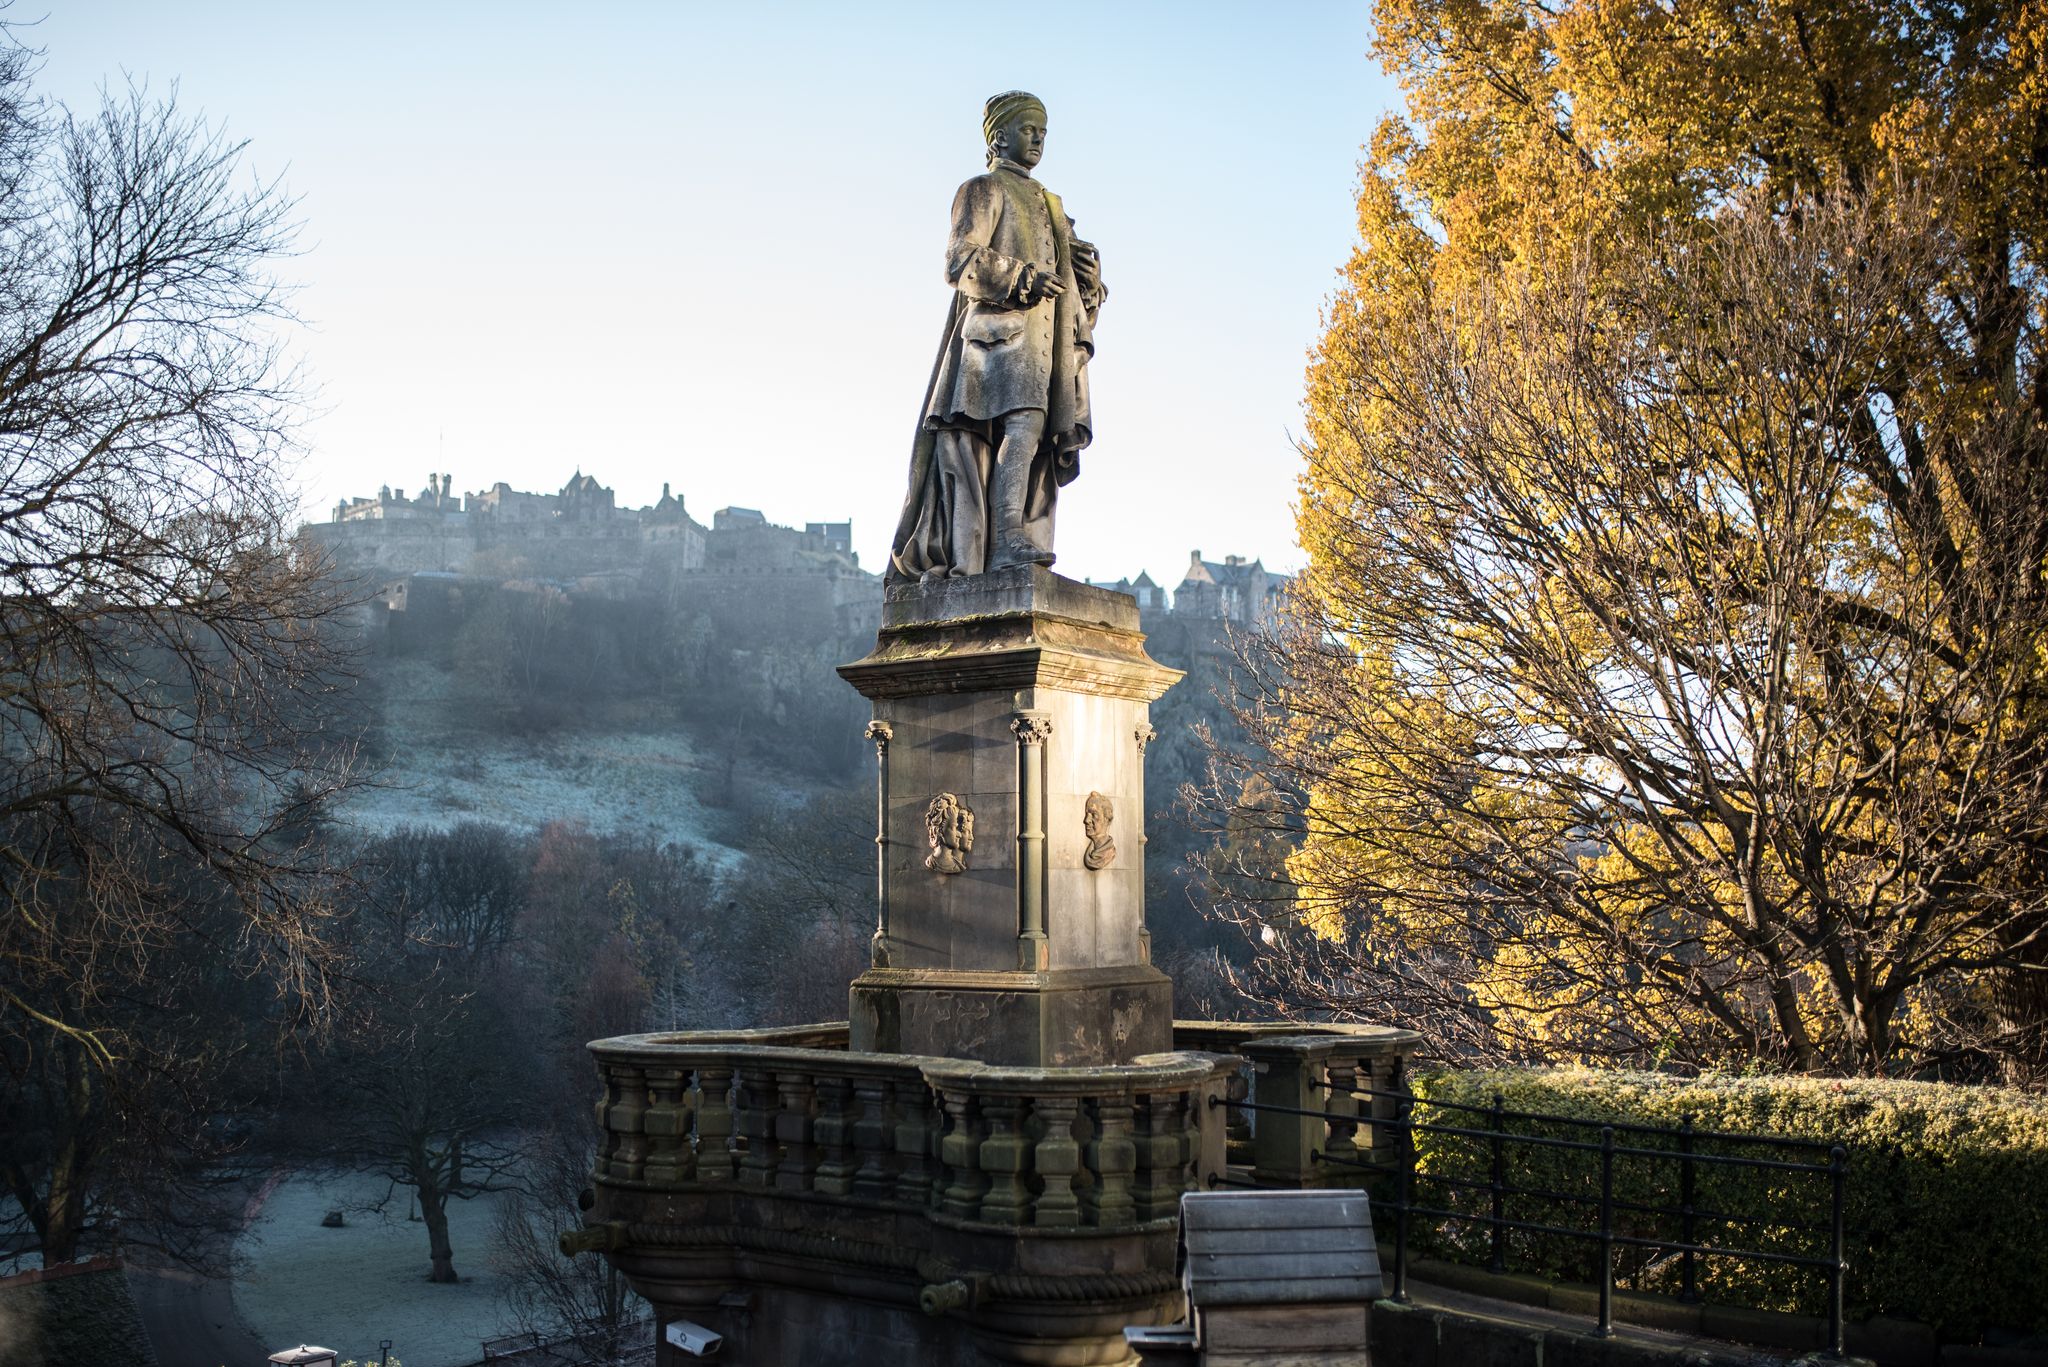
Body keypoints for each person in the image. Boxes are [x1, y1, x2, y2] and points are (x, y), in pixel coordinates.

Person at [887, 90, 1107, 581]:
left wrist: (1089, 278)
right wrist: (1021, 278)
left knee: (1037, 439)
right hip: (996, 345)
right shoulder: (982, 189)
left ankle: (1014, 535)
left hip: (1045, 348)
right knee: (1024, 427)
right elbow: (960, 259)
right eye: (1029, 130)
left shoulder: (1053, 207)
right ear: (999, 136)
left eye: (1043, 133)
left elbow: (1078, 292)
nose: (1038, 141)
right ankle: (1007, 536)